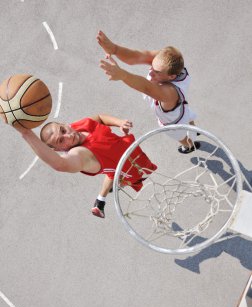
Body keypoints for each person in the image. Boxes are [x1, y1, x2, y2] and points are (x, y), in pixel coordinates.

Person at [13, 114, 157, 218]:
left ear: (65, 124)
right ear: (57, 150)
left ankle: (100, 200)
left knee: (112, 174)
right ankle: (112, 189)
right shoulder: (81, 153)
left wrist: (119, 122)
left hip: (126, 152)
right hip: (134, 167)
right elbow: (60, 164)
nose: (68, 136)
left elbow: (100, 118)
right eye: (61, 141)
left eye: (63, 130)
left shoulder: (79, 126)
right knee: (118, 174)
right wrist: (26, 133)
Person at [97, 30, 200, 154]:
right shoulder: (167, 62)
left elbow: (147, 87)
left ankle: (189, 146)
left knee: (181, 137)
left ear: (171, 77)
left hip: (173, 122)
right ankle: (194, 129)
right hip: (182, 110)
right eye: (152, 66)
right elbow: (138, 56)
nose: (150, 72)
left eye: (157, 72)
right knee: (188, 116)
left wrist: (122, 75)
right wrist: (115, 49)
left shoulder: (170, 93)